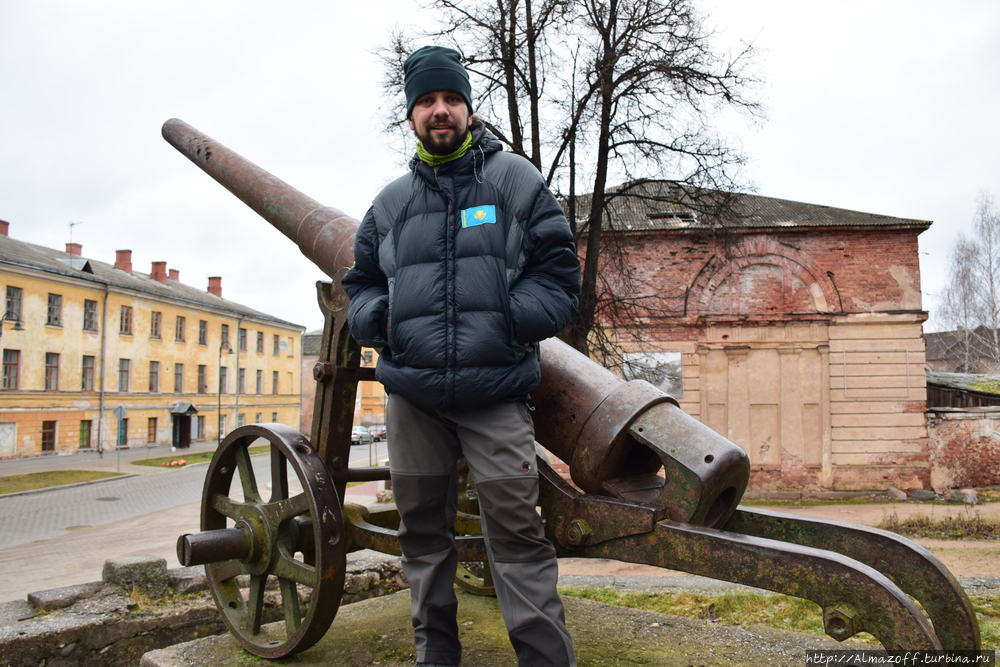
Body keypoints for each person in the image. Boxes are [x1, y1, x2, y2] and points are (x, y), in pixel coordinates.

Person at [342, 45, 580, 667]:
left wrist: (510, 319)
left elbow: (559, 274)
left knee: (519, 539)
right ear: (412, 115)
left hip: (495, 395)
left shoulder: (514, 182)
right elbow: (360, 282)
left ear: (469, 110)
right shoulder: (391, 203)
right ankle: (436, 658)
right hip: (413, 399)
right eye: (427, 101)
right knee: (421, 539)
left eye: (451, 99)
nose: (439, 111)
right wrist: (383, 322)